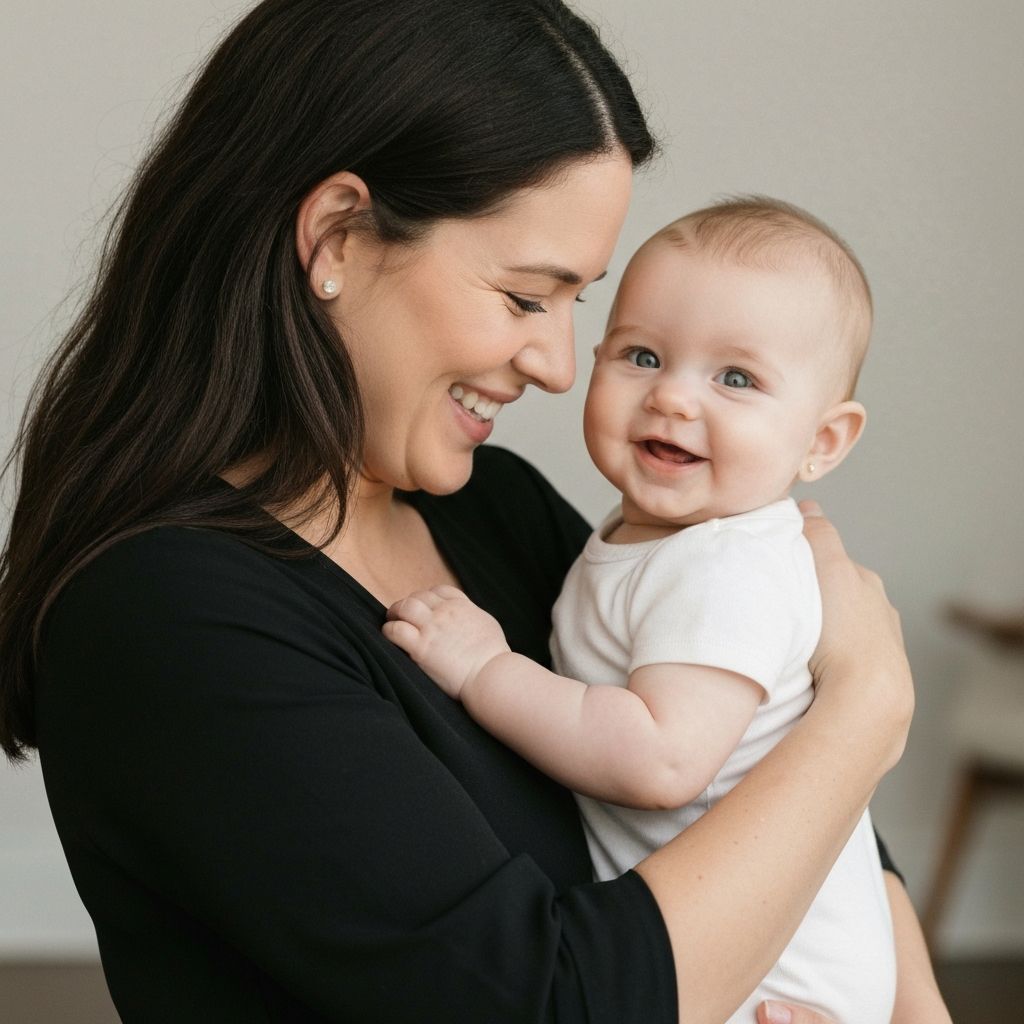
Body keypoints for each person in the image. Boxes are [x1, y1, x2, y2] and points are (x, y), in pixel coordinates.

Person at [0, 1, 945, 1021]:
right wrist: (867, 712)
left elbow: (769, 781)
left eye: (581, 300)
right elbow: (549, 1003)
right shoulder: (167, 616)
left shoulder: (486, 506)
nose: (554, 362)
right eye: (527, 296)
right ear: (338, 237)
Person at [384, 197, 901, 1020]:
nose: (674, 399)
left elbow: (659, 760)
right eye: (644, 355)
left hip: (773, 984)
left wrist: (486, 670)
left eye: (736, 378)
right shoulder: (660, 541)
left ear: (823, 441)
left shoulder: (727, 569)